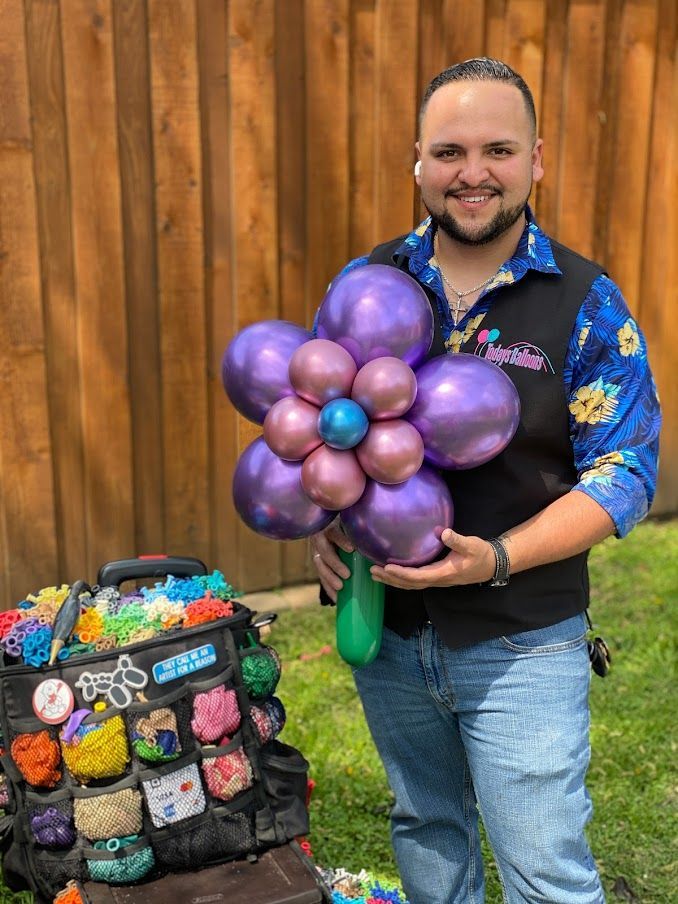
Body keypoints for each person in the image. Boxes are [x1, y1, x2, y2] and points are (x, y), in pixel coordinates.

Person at [310, 58, 661, 904]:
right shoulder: (367, 286)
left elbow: (625, 473)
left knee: (544, 872)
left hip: (523, 642)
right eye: (450, 150)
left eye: (498, 149)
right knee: (427, 834)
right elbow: (324, 421)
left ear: (537, 158)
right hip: (388, 632)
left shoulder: (585, 300)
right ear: (418, 162)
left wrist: (495, 558)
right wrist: (325, 527)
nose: (473, 174)